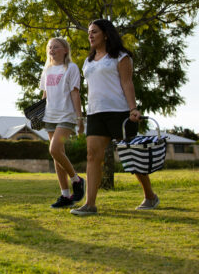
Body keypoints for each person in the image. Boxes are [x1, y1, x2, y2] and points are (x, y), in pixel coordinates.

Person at [71, 19, 159, 216]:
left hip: (119, 112)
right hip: (95, 113)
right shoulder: (88, 61)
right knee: (93, 156)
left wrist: (133, 108)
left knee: (131, 157)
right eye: (89, 33)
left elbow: (127, 83)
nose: (90, 36)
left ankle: (150, 196)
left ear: (106, 34)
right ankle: (90, 204)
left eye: (94, 32)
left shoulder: (121, 56)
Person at [38, 37, 85, 208]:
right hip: (49, 116)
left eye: (56, 47)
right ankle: (65, 195)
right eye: (50, 47)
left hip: (66, 115)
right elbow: (44, 96)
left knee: (55, 149)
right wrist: (39, 113)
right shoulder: (47, 70)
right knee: (57, 155)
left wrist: (79, 118)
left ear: (65, 50)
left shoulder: (71, 68)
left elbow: (75, 93)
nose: (52, 50)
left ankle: (77, 180)